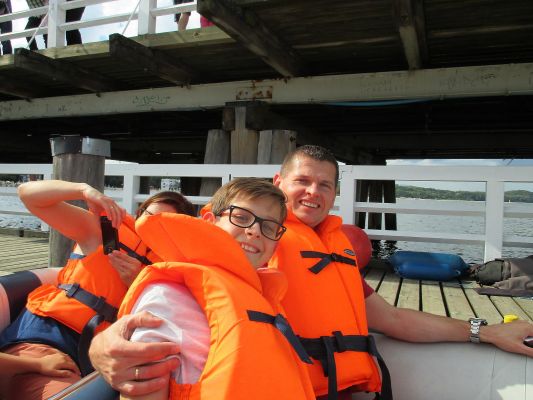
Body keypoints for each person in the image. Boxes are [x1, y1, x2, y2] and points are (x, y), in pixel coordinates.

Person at [89, 146, 533, 399]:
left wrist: (484, 330)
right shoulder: (251, 243)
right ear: (278, 183)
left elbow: (394, 319)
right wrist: (100, 346)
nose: (312, 192)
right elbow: (174, 284)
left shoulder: (333, 248)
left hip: (349, 389)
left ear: (335, 194)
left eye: (325, 185)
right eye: (302, 180)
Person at [118, 177, 314, 399]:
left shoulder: (262, 296)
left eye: (269, 226)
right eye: (241, 217)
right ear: (210, 222)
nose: (255, 231)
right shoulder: (170, 294)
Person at [0, 180, 195, 400]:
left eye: (162, 224)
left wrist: (140, 284)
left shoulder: (167, 274)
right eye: (147, 216)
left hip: (97, 361)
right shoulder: (101, 233)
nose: (149, 226)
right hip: (46, 342)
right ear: (139, 214)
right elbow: (27, 194)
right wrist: (83, 190)